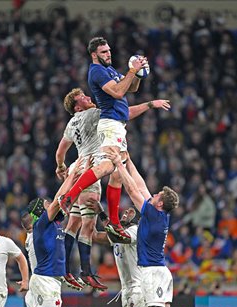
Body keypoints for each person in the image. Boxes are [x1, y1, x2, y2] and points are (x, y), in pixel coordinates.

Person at [56, 87, 170, 289]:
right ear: (76, 106)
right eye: (83, 97)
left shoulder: (70, 124)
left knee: (73, 222)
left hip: (77, 166)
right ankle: (85, 272)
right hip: (93, 165)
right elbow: (124, 113)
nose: (88, 97)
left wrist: (61, 167)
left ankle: (65, 270)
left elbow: (60, 152)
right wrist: (150, 104)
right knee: (87, 224)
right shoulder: (94, 113)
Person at [58, 37, 170, 240]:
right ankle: (70, 195)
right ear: (94, 55)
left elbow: (131, 88)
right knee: (110, 167)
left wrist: (139, 74)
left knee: (118, 173)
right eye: (103, 52)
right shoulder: (97, 72)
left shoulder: (109, 71)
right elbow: (119, 92)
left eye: (109, 50)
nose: (108, 54)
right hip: (110, 125)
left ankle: (114, 222)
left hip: (118, 125)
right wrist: (132, 71)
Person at [105, 149, 188, 307]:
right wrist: (129, 160)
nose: (152, 195)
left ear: (159, 203)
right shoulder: (159, 215)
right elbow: (140, 185)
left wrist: (118, 165)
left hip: (151, 273)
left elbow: (132, 189)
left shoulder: (151, 213)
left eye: (156, 195)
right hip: (162, 272)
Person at [18, 157, 83, 307]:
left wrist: (74, 182)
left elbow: (66, 200)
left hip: (46, 279)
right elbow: (59, 199)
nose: (51, 205)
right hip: (46, 279)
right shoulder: (42, 224)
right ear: (40, 212)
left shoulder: (55, 223)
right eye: (47, 205)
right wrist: (73, 176)